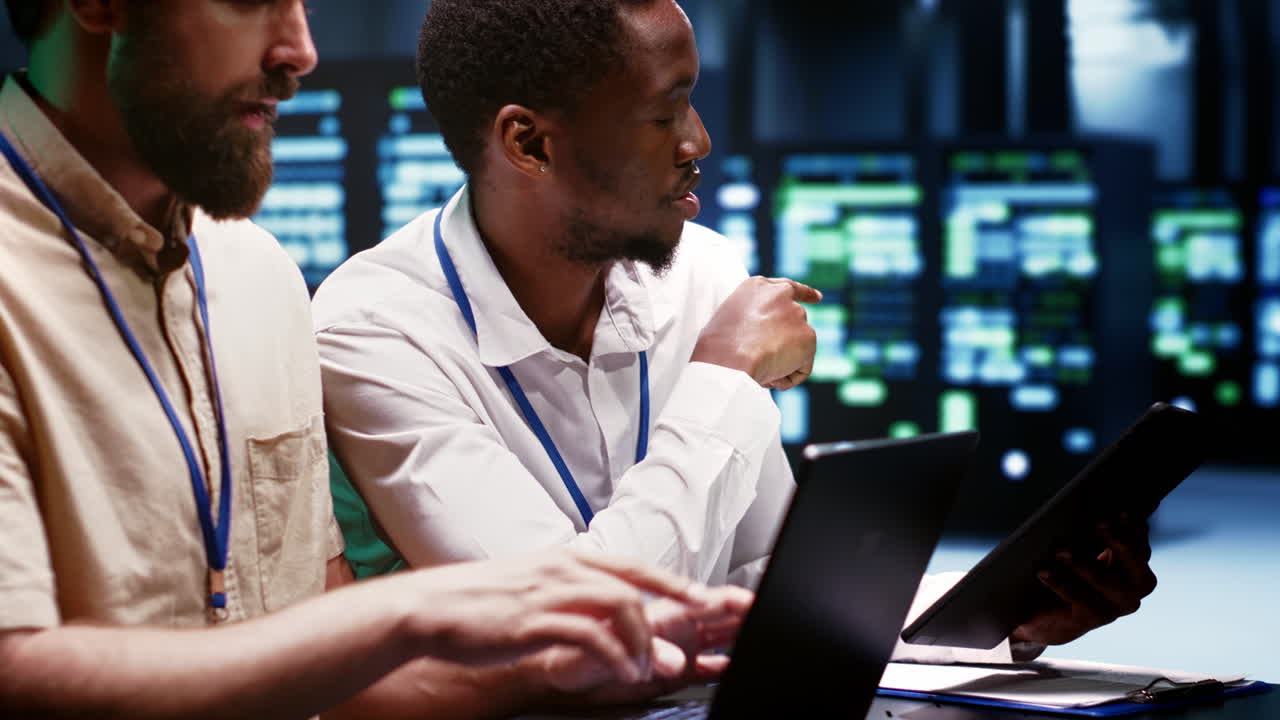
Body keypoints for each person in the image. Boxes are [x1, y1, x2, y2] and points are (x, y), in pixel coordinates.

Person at [314, 0, 1159, 665]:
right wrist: (720, 377)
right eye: (664, 111)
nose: (700, 141)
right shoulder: (374, 331)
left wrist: (1000, 612)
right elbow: (571, 628)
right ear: (528, 143)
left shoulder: (704, 273)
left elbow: (765, 590)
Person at [0, 1, 751, 718]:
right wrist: (417, 610)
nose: (298, 49)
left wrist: (563, 664)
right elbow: (16, 675)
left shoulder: (258, 278)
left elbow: (328, 675)